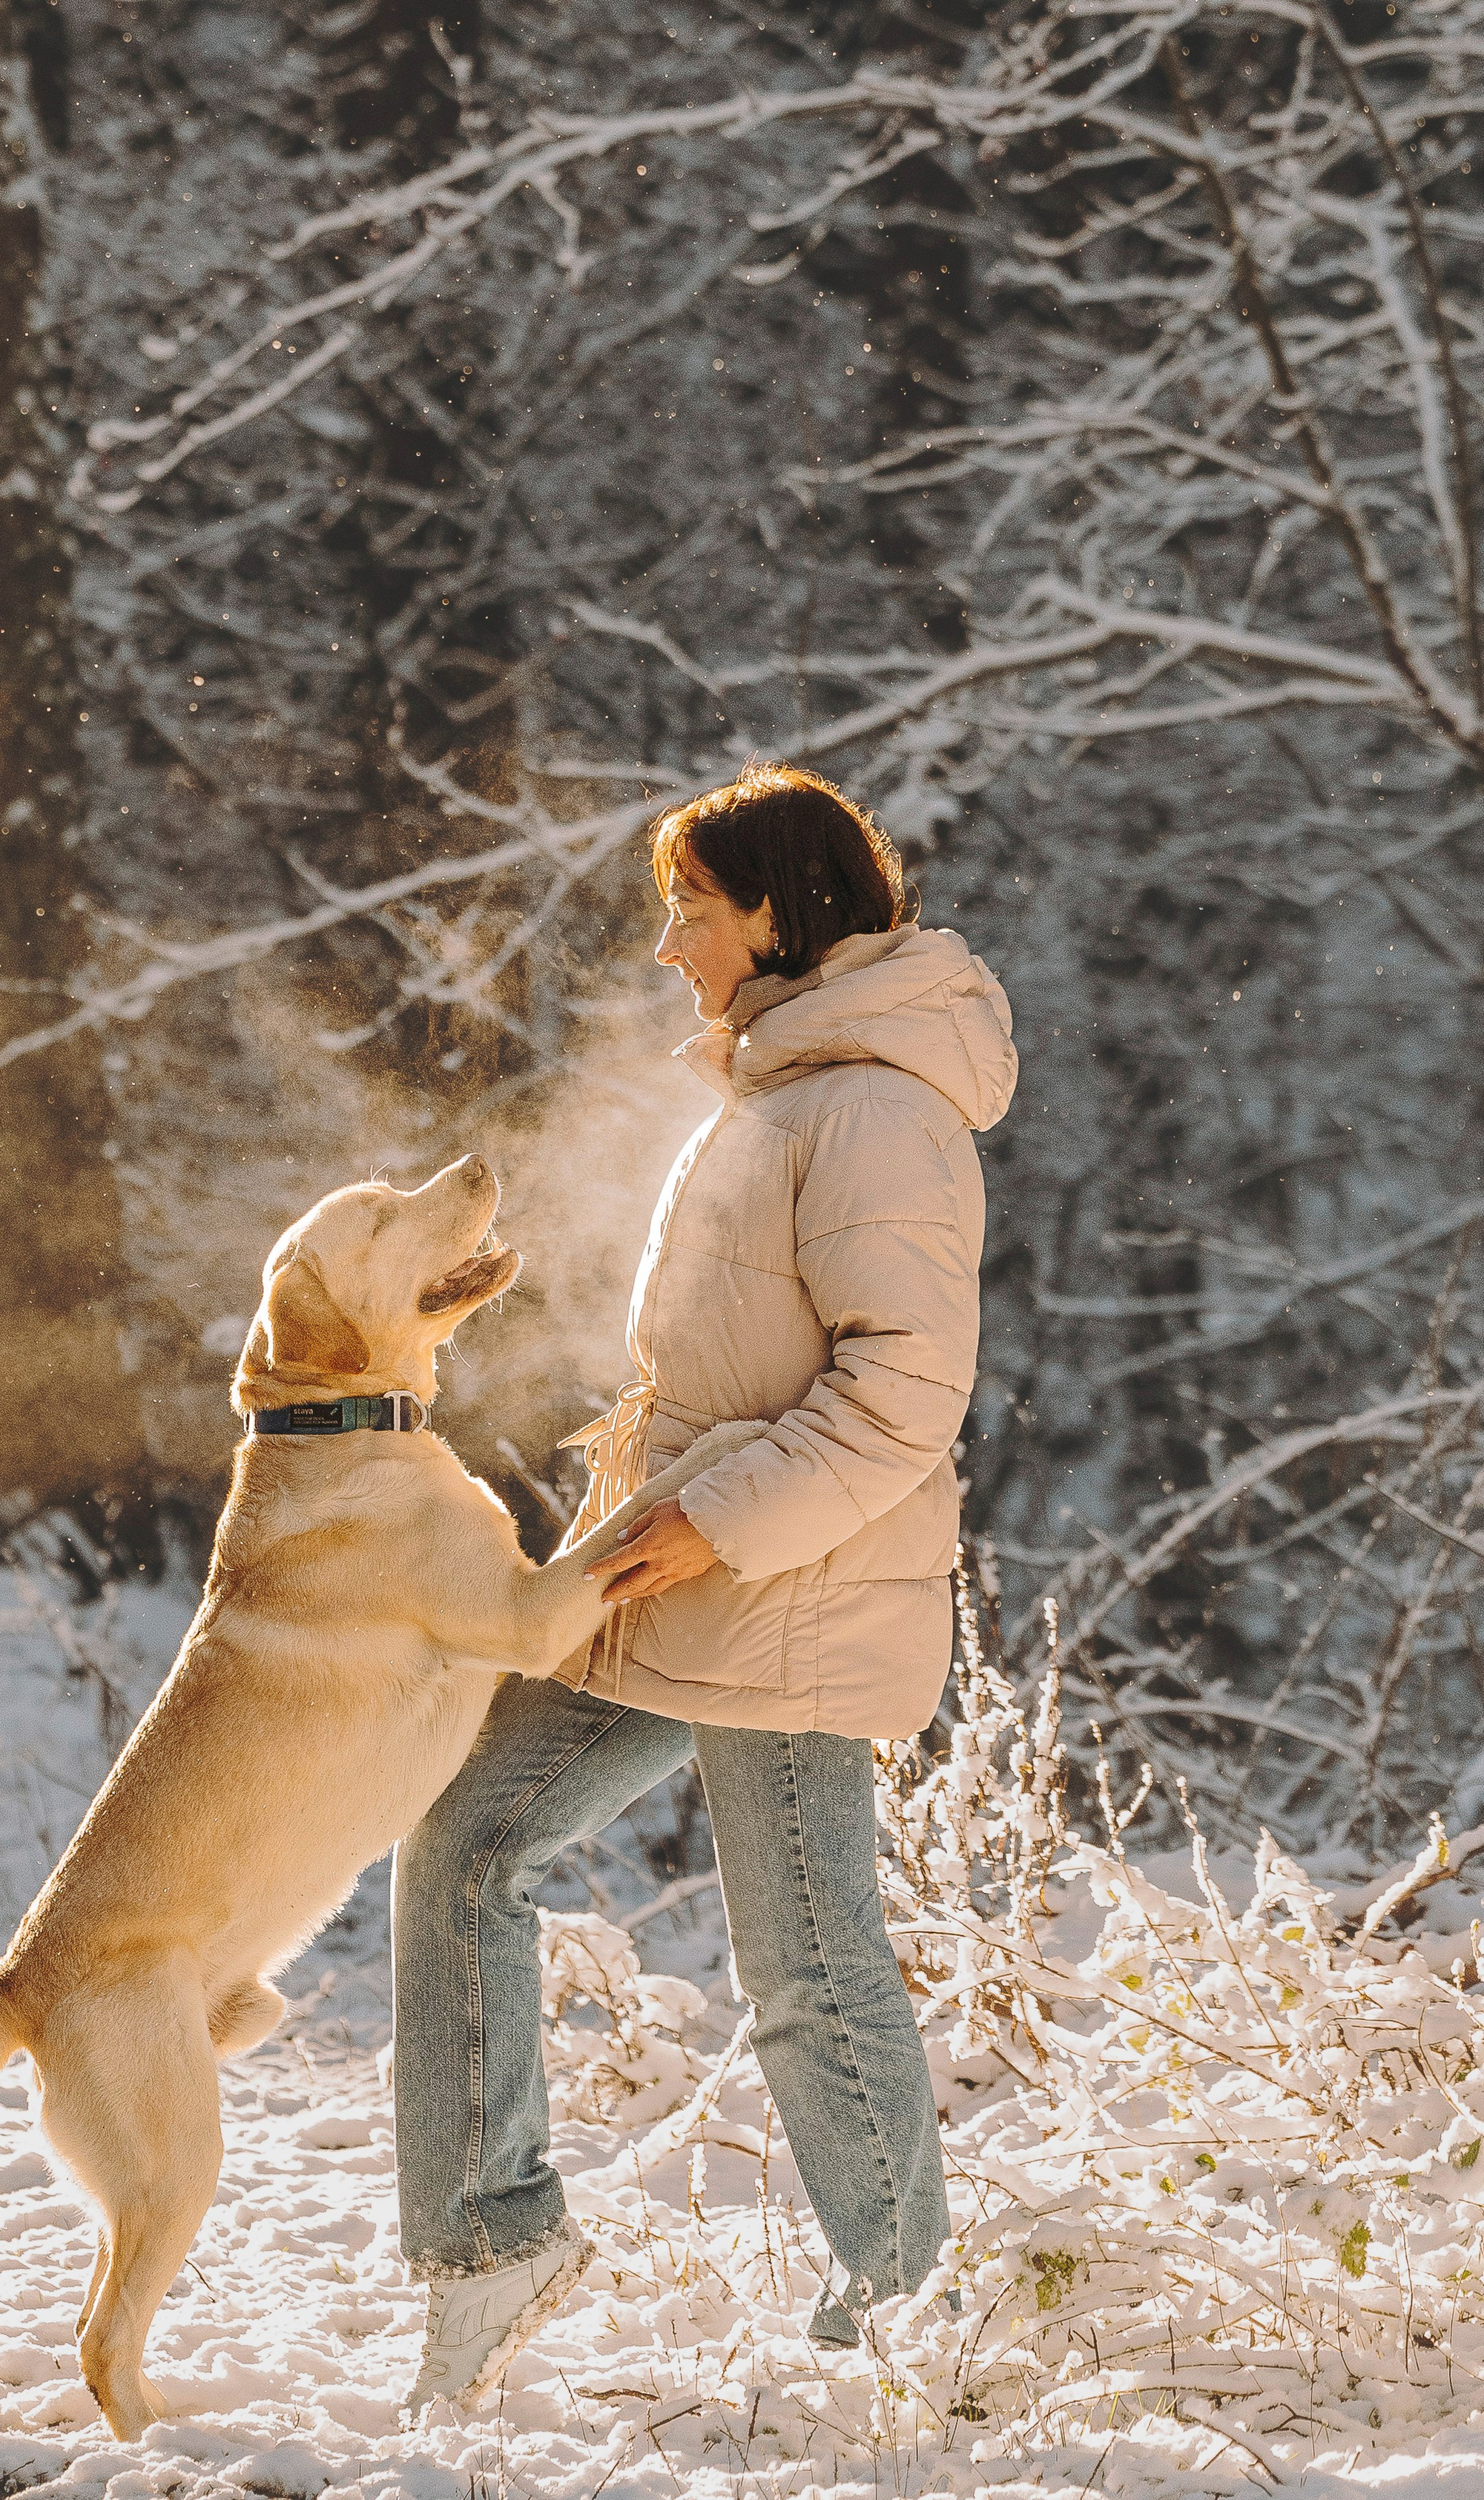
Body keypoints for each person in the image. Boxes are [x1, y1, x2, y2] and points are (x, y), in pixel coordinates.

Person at [392, 760, 1018, 2412]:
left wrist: (718, 1517)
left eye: (687, 906)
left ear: (774, 909)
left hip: (784, 1586)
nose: (667, 944)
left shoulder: (875, 1107)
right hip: (672, 1567)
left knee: (809, 1965)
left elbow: (900, 1392)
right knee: (462, 1835)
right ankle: (489, 2237)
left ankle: (899, 2328)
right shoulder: (787, 1089)